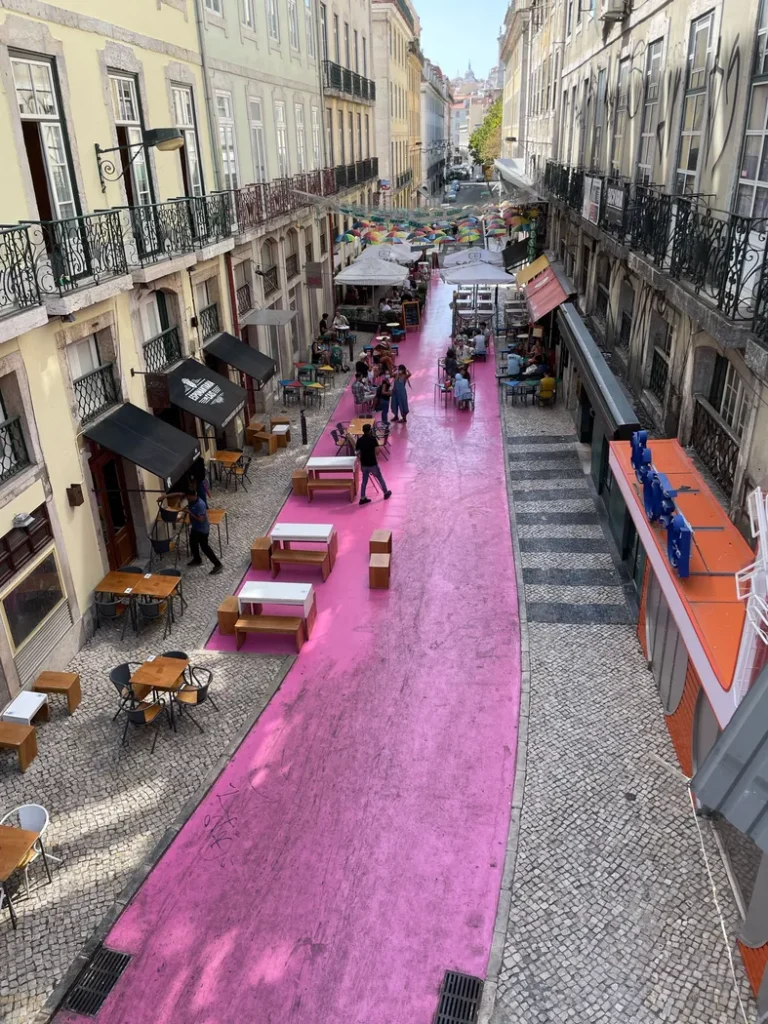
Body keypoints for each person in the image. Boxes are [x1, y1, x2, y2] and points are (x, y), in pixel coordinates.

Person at [186, 488, 223, 574]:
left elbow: (201, 519)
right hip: (195, 528)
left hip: (202, 530)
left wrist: (190, 513)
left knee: (205, 547)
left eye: (188, 497)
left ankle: (217, 564)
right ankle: (197, 559)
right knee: (192, 542)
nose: (187, 499)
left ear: (192, 496)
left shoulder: (200, 505)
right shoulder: (192, 501)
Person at [355, 423, 391, 505]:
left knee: (364, 482)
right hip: (373, 463)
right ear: (370, 430)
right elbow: (378, 452)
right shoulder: (373, 439)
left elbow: (357, 452)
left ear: (363, 431)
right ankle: (385, 493)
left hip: (364, 464)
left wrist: (360, 463)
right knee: (380, 478)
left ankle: (362, 498)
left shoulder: (359, 440)